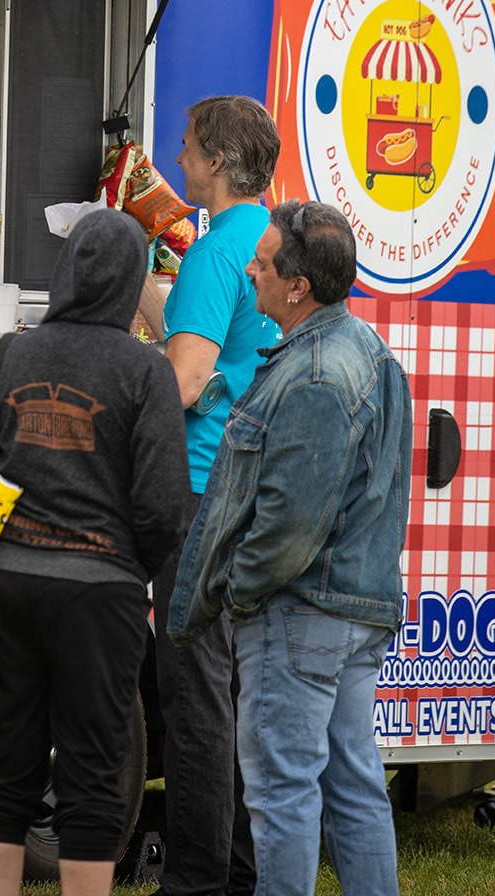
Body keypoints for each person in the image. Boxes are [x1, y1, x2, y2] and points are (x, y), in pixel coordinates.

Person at [169, 200, 413, 896]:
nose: (250, 266)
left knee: (281, 794)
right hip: (350, 610)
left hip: (299, 612)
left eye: (264, 260)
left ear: (297, 286)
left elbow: (288, 527)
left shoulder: (313, 375)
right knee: (354, 787)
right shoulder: (363, 349)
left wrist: (242, 594)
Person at [0, 209, 190, 896]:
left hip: (7, 584)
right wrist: (128, 567)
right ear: (129, 283)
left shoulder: (8, 353)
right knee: (94, 771)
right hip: (101, 592)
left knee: (2, 767)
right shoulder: (145, 371)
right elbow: (161, 505)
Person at [137, 95, 281, 896]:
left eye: (189, 148)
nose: (180, 159)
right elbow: (231, 351)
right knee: (229, 687)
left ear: (218, 162)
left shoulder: (210, 251)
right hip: (251, 484)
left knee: (192, 692)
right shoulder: (268, 240)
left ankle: (195, 879)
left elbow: (185, 382)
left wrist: (124, 373)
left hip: (194, 486)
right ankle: (237, 867)